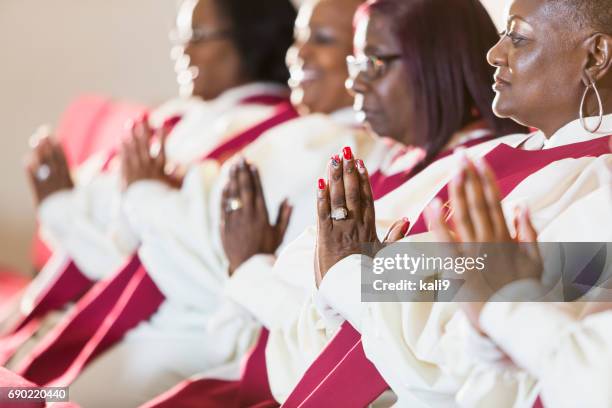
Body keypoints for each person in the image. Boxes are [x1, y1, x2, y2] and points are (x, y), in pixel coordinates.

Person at [210, 0, 529, 404]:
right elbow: (319, 279)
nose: (354, 84)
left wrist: (326, 277)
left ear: (436, 61)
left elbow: (407, 334)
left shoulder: (478, 173)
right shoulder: (396, 158)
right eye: (357, 64)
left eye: (374, 63)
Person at [302, 0, 612, 406]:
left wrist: (356, 278)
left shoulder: (599, 182)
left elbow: (481, 353)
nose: (494, 53)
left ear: (597, 56)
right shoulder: (498, 152)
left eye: (517, 38)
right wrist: (381, 276)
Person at [2, 0, 296, 385]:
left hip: (170, 330)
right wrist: (63, 205)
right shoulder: (176, 117)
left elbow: (169, 264)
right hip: (96, 306)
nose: (183, 50)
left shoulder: (273, 140)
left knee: (40, 394)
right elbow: (108, 231)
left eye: (198, 36)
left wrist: (72, 209)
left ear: (252, 40)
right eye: (181, 37)